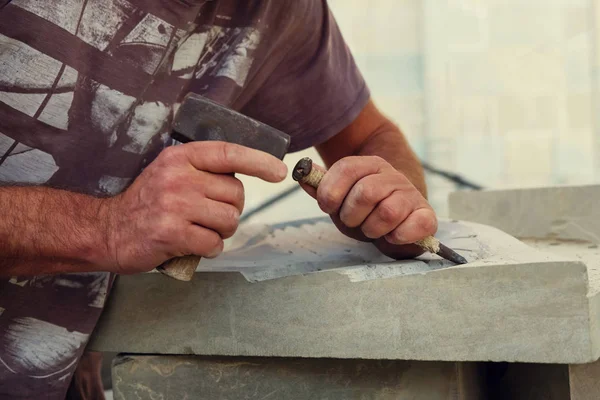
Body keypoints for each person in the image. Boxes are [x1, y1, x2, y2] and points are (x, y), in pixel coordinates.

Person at [0, 0, 437, 398]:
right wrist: (106, 228)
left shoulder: (283, 12)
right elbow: (113, 228)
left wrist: (394, 206)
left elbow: (371, 137)